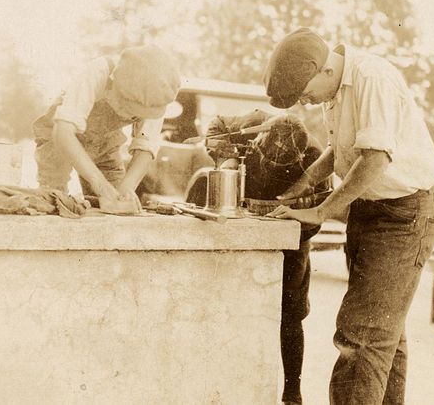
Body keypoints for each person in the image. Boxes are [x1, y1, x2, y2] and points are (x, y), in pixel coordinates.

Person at [264, 28, 434, 404]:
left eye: (306, 93)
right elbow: (341, 150)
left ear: (323, 69)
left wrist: (321, 210)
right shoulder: (336, 87)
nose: (308, 103)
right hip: (370, 212)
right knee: (384, 338)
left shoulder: (371, 78)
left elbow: (375, 158)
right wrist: (302, 184)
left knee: (362, 336)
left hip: (404, 215)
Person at [187, 111, 329, 405]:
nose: (273, 165)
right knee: (232, 308)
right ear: (260, 139)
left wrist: (289, 227)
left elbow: (320, 212)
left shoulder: (316, 155)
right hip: (242, 230)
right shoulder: (251, 124)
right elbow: (216, 125)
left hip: (292, 237)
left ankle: (293, 392)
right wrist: (226, 157)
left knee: (291, 315)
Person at [32, 45, 180, 212]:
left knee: (116, 201)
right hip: (58, 136)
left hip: (105, 141)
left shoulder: (158, 95)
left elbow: (145, 149)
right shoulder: (97, 71)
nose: (128, 116)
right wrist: (99, 184)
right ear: (117, 88)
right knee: (54, 199)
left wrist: (125, 190)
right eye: (128, 110)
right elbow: (63, 133)